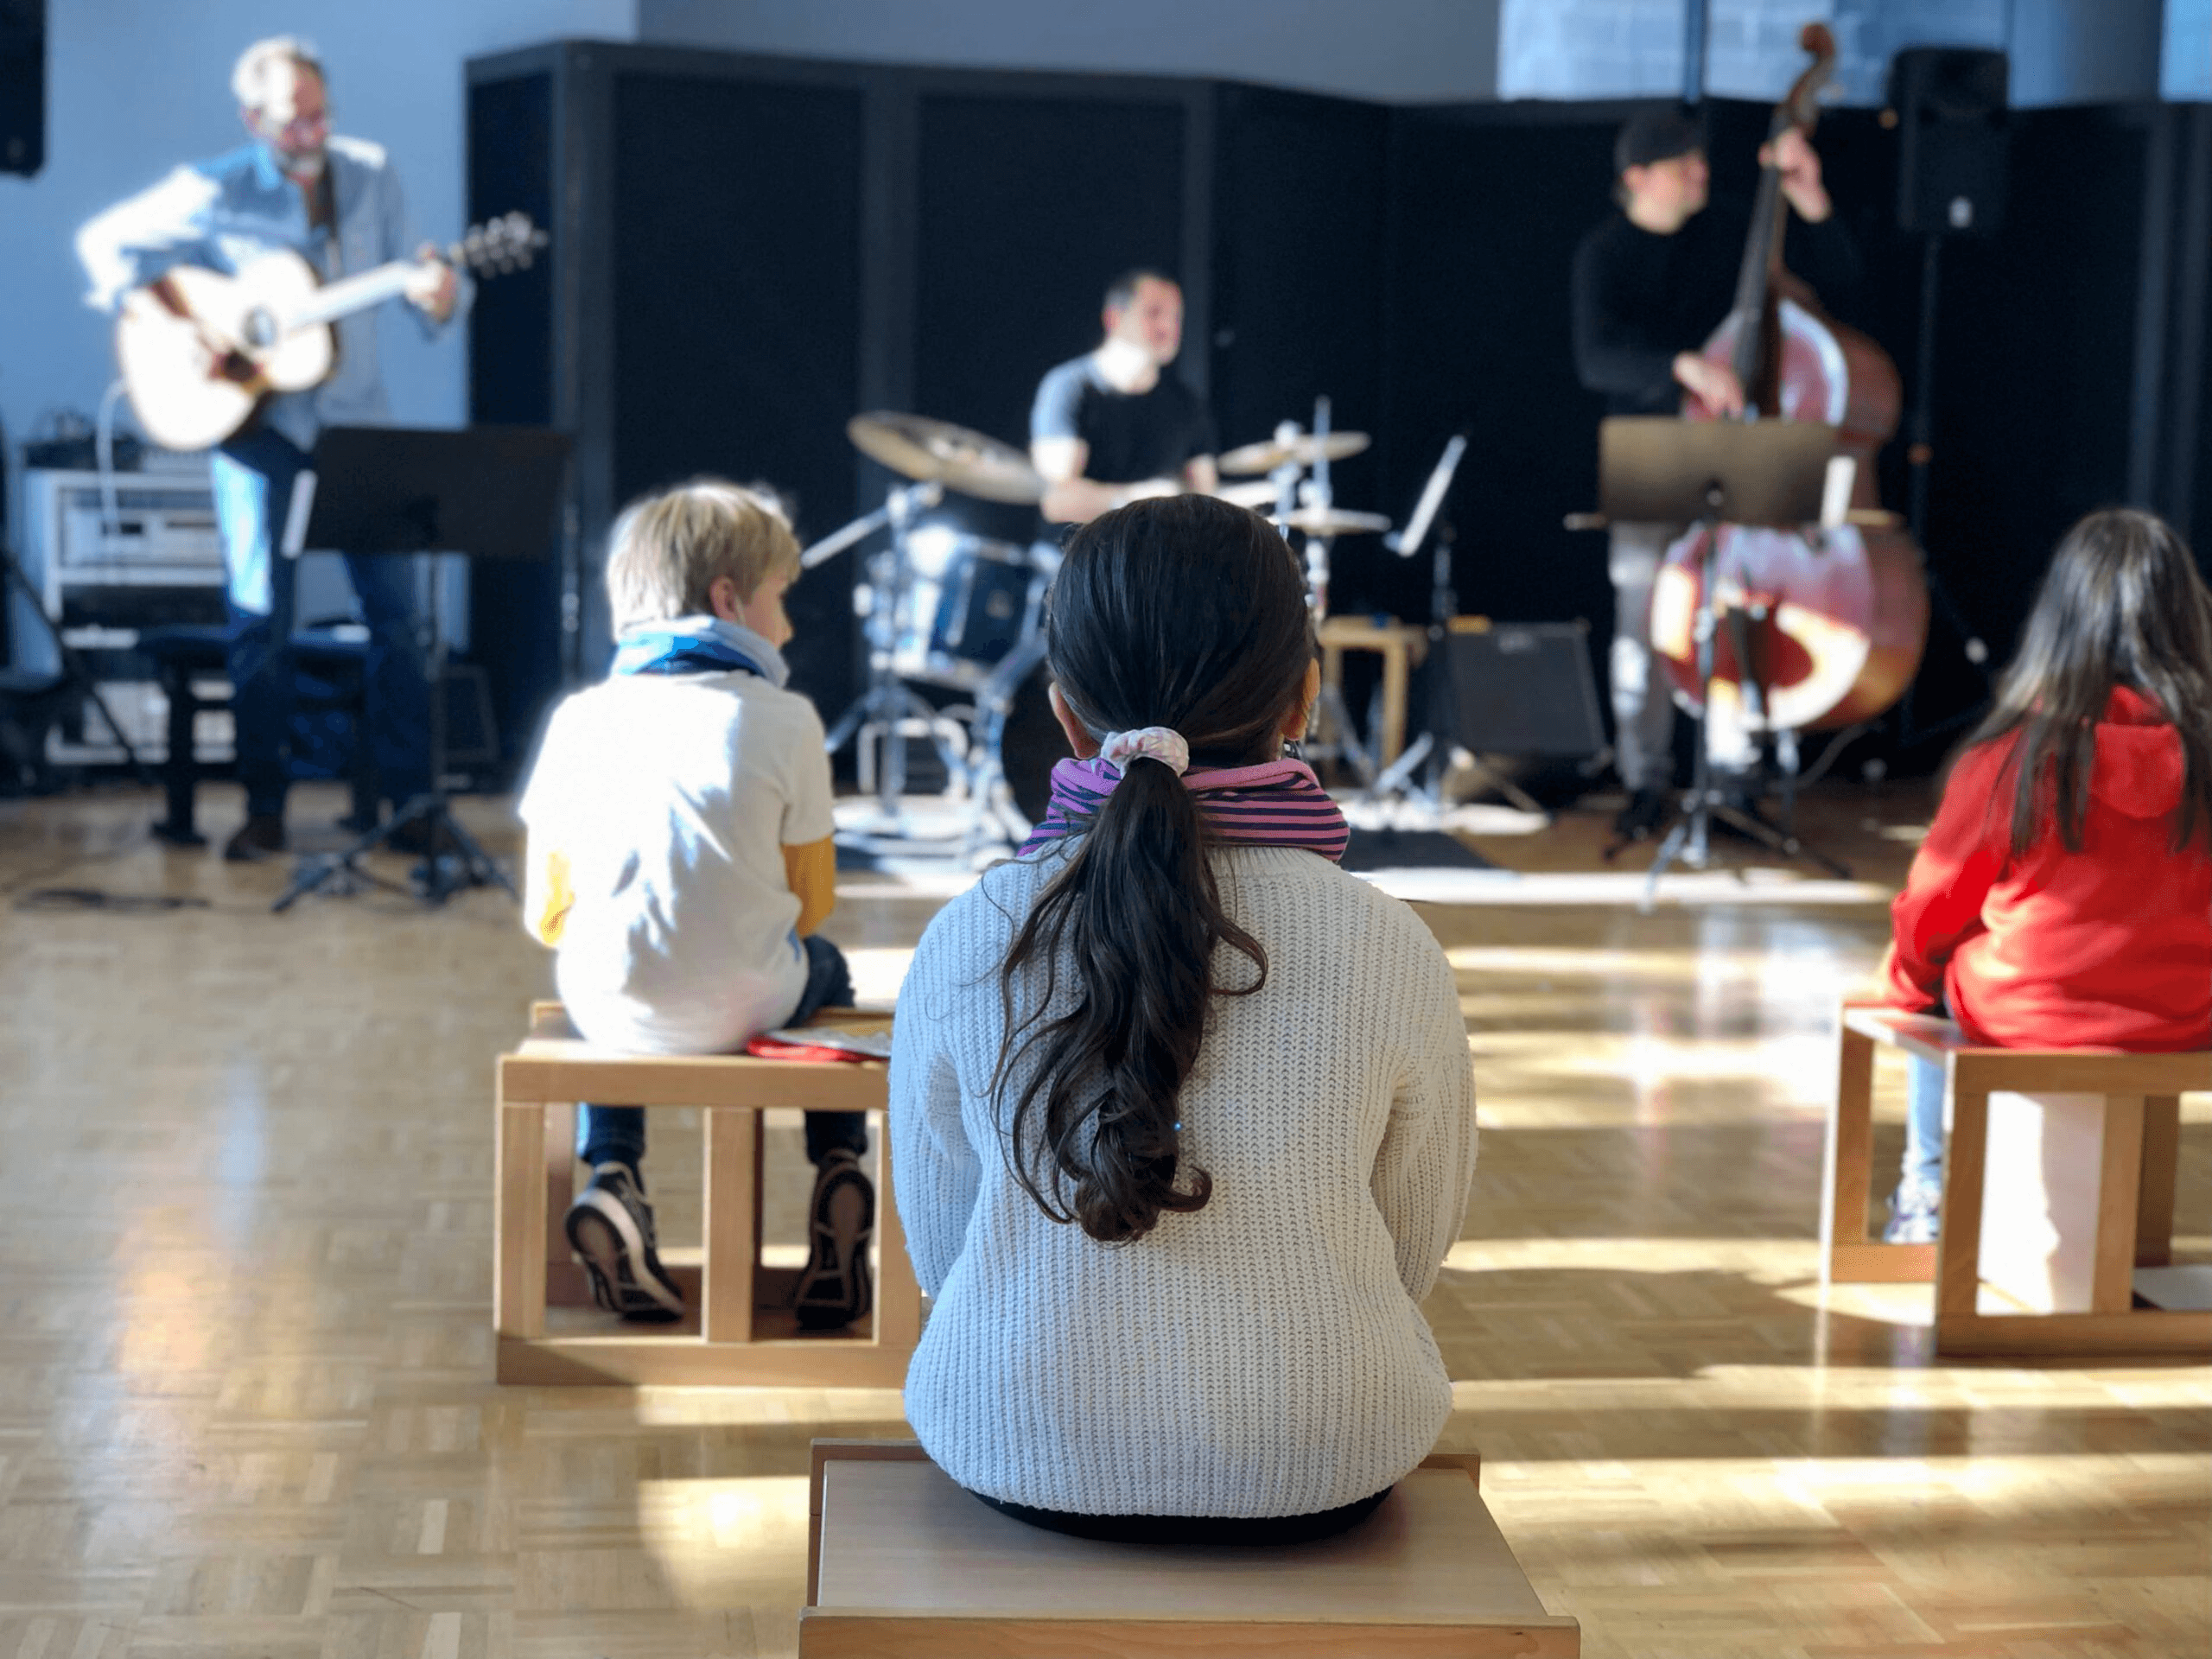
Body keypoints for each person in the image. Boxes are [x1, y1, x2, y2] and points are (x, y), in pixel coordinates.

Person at [889, 494, 1478, 1541]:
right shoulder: (1390, 943)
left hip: (1015, 1441)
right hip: (1329, 1455)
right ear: (1302, 698)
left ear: (1065, 712)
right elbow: (1411, 1255)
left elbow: (942, 1259)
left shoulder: (969, 935)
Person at [75, 36, 465, 862]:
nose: (312, 131)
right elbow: (103, 246)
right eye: (293, 121)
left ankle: (408, 805)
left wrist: (439, 296)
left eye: (321, 113)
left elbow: (425, 305)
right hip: (259, 431)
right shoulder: (214, 189)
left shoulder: (372, 175)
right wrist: (190, 331)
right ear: (254, 119)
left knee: (398, 619)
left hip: (358, 422)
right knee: (262, 619)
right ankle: (264, 806)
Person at [517, 480, 873, 1327]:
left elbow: (545, 917)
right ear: (728, 601)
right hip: (751, 1001)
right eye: (779, 599)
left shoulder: (578, 720)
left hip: (609, 1001)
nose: (785, 626)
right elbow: (811, 907)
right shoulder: (786, 720)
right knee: (829, 968)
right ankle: (837, 1169)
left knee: (602, 986)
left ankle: (614, 1177)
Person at [1876, 508, 2212, 1242]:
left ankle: (1926, 1191)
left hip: (2030, 1015)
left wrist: (1904, 988)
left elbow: (1933, 902)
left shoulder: (2013, 758)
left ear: (2059, 622)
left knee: (1937, 979)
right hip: (2185, 1016)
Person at [1571, 105, 1860, 841]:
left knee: (1741, 608)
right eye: (1683, 164)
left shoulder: (1734, 232)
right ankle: (1645, 782)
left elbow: (1843, 284)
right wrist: (1684, 365)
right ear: (1638, 177)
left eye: (1702, 160)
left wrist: (1809, 200)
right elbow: (1595, 358)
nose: (1702, 172)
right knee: (1641, 625)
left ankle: (1733, 773)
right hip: (1651, 454)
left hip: (1740, 455)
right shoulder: (1603, 252)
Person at [1031, 270, 1220, 529]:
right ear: (1114, 318)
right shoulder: (1068, 388)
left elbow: (1207, 497)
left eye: (1175, 317)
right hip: (1079, 558)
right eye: (1153, 313)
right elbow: (1057, 501)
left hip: (1154, 562)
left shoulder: (1187, 403)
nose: (1167, 327)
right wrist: (1138, 500)